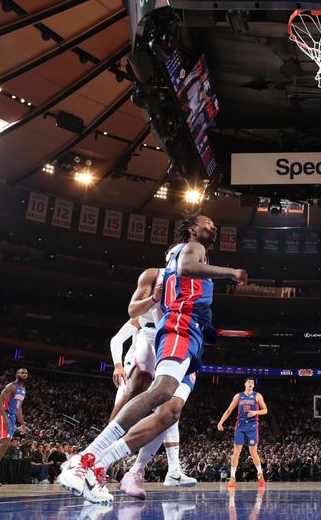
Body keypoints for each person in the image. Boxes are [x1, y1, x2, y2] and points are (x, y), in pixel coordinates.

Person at [59, 212, 246, 504]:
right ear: (192, 231)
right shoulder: (192, 249)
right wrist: (231, 272)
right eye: (207, 223)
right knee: (158, 390)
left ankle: (100, 465)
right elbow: (185, 268)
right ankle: (84, 459)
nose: (214, 226)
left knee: (170, 413)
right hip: (180, 325)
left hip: (192, 334)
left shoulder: (188, 255)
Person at [112, 245, 198, 495]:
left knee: (170, 412)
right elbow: (121, 332)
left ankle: (146, 470)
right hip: (147, 350)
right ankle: (94, 460)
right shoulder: (155, 283)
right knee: (127, 406)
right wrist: (117, 364)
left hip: (182, 346)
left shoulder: (195, 286)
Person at [217, 377, 268, 488]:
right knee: (236, 452)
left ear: (253, 386)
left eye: (252, 383)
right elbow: (229, 410)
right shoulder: (238, 396)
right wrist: (220, 422)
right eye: (249, 382)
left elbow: (265, 410)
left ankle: (260, 474)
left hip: (252, 426)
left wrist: (255, 412)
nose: (250, 384)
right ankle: (232, 477)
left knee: (253, 452)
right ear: (245, 384)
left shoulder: (257, 396)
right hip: (240, 425)